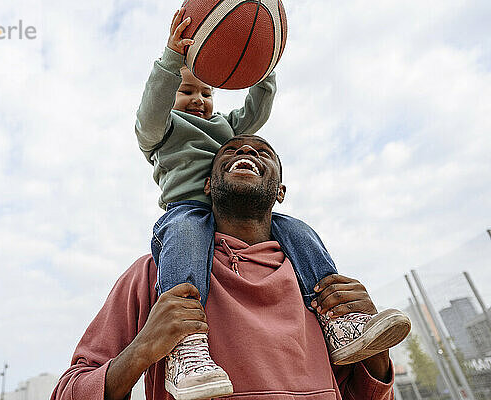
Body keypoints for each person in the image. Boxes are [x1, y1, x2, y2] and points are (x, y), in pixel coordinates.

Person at [134, 7, 410, 399]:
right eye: (187, 90)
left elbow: (256, 112)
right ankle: (186, 343)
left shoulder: (226, 130)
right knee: (183, 234)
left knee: (299, 230)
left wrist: (264, 67)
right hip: (188, 212)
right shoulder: (163, 129)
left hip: (233, 216)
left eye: (206, 92)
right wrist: (171, 60)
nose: (198, 99)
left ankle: (337, 320)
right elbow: (148, 112)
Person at [52, 135, 409, 400]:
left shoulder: (318, 284)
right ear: (208, 185)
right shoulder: (156, 275)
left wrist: (376, 356)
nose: (246, 152)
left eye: (261, 151)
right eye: (231, 151)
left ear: (279, 190)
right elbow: (67, 391)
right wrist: (142, 350)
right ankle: (187, 355)